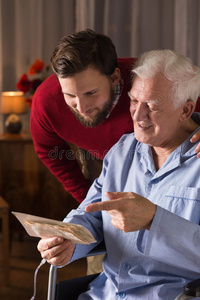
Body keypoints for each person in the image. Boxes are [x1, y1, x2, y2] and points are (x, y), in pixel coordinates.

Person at [38, 50, 200, 299]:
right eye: (134, 101)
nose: (137, 115)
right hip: (104, 293)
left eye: (152, 106)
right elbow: (92, 212)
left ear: (186, 110)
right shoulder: (123, 150)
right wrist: (68, 238)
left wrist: (155, 221)